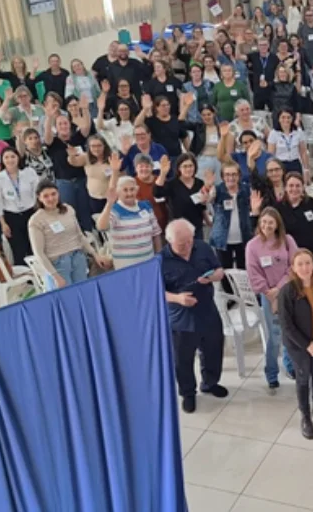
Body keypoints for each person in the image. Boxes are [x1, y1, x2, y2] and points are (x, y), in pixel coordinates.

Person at [160, 218, 228, 413]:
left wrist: (214, 277)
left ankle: (210, 382)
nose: (188, 246)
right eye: (182, 244)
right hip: (181, 316)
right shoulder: (160, 261)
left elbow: (219, 270)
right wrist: (177, 298)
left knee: (213, 348)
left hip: (207, 309)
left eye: (190, 241)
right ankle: (188, 393)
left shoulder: (202, 247)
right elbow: (154, 291)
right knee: (183, 358)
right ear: (169, 241)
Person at [277, 249, 313, 439]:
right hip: (298, 346)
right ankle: (305, 416)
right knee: (303, 379)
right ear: (293, 267)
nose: (305, 268)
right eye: (300, 264)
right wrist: (307, 345)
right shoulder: (287, 291)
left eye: (308, 263)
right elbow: (286, 325)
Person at [246, 207, 298, 390]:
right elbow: (254, 274)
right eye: (264, 222)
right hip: (268, 297)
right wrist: (269, 293)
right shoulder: (252, 246)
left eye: (271, 222)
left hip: (289, 293)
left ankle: (291, 366)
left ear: (277, 224)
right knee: (274, 337)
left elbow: (294, 266)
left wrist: (279, 289)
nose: (267, 225)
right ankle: (271, 373)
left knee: (291, 333)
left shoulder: (287, 241)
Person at [28, 180, 110, 287]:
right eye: (46, 196)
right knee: (66, 299)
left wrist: (95, 254)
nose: (51, 199)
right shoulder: (36, 220)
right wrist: (55, 276)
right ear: (39, 198)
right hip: (58, 264)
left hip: (78, 258)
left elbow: (79, 236)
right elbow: (39, 253)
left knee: (82, 292)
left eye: (53, 194)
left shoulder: (68, 209)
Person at [96, 160, 162, 270]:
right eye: (125, 190)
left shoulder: (146, 206)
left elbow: (156, 233)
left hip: (148, 261)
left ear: (137, 190)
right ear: (118, 192)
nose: (129, 193)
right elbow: (101, 227)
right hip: (126, 266)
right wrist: (109, 203)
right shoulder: (114, 210)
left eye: (132, 189)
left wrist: (159, 256)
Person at [0, 147, 39, 266]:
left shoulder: (29, 172)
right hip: (11, 217)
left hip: (30, 213)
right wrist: (3, 223)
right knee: (19, 250)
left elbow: (37, 193)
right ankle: (26, 278)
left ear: (18, 158)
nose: (10, 160)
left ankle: (41, 275)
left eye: (13, 156)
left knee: (35, 245)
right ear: (2, 160)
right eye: (6, 157)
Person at [206, 160, 252, 273]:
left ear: (239, 175)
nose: (231, 178)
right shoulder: (217, 190)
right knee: (225, 272)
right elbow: (208, 201)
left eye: (234, 174)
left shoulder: (246, 189)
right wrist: (209, 188)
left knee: (244, 271)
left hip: (243, 237)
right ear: (222, 176)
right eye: (227, 175)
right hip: (223, 239)